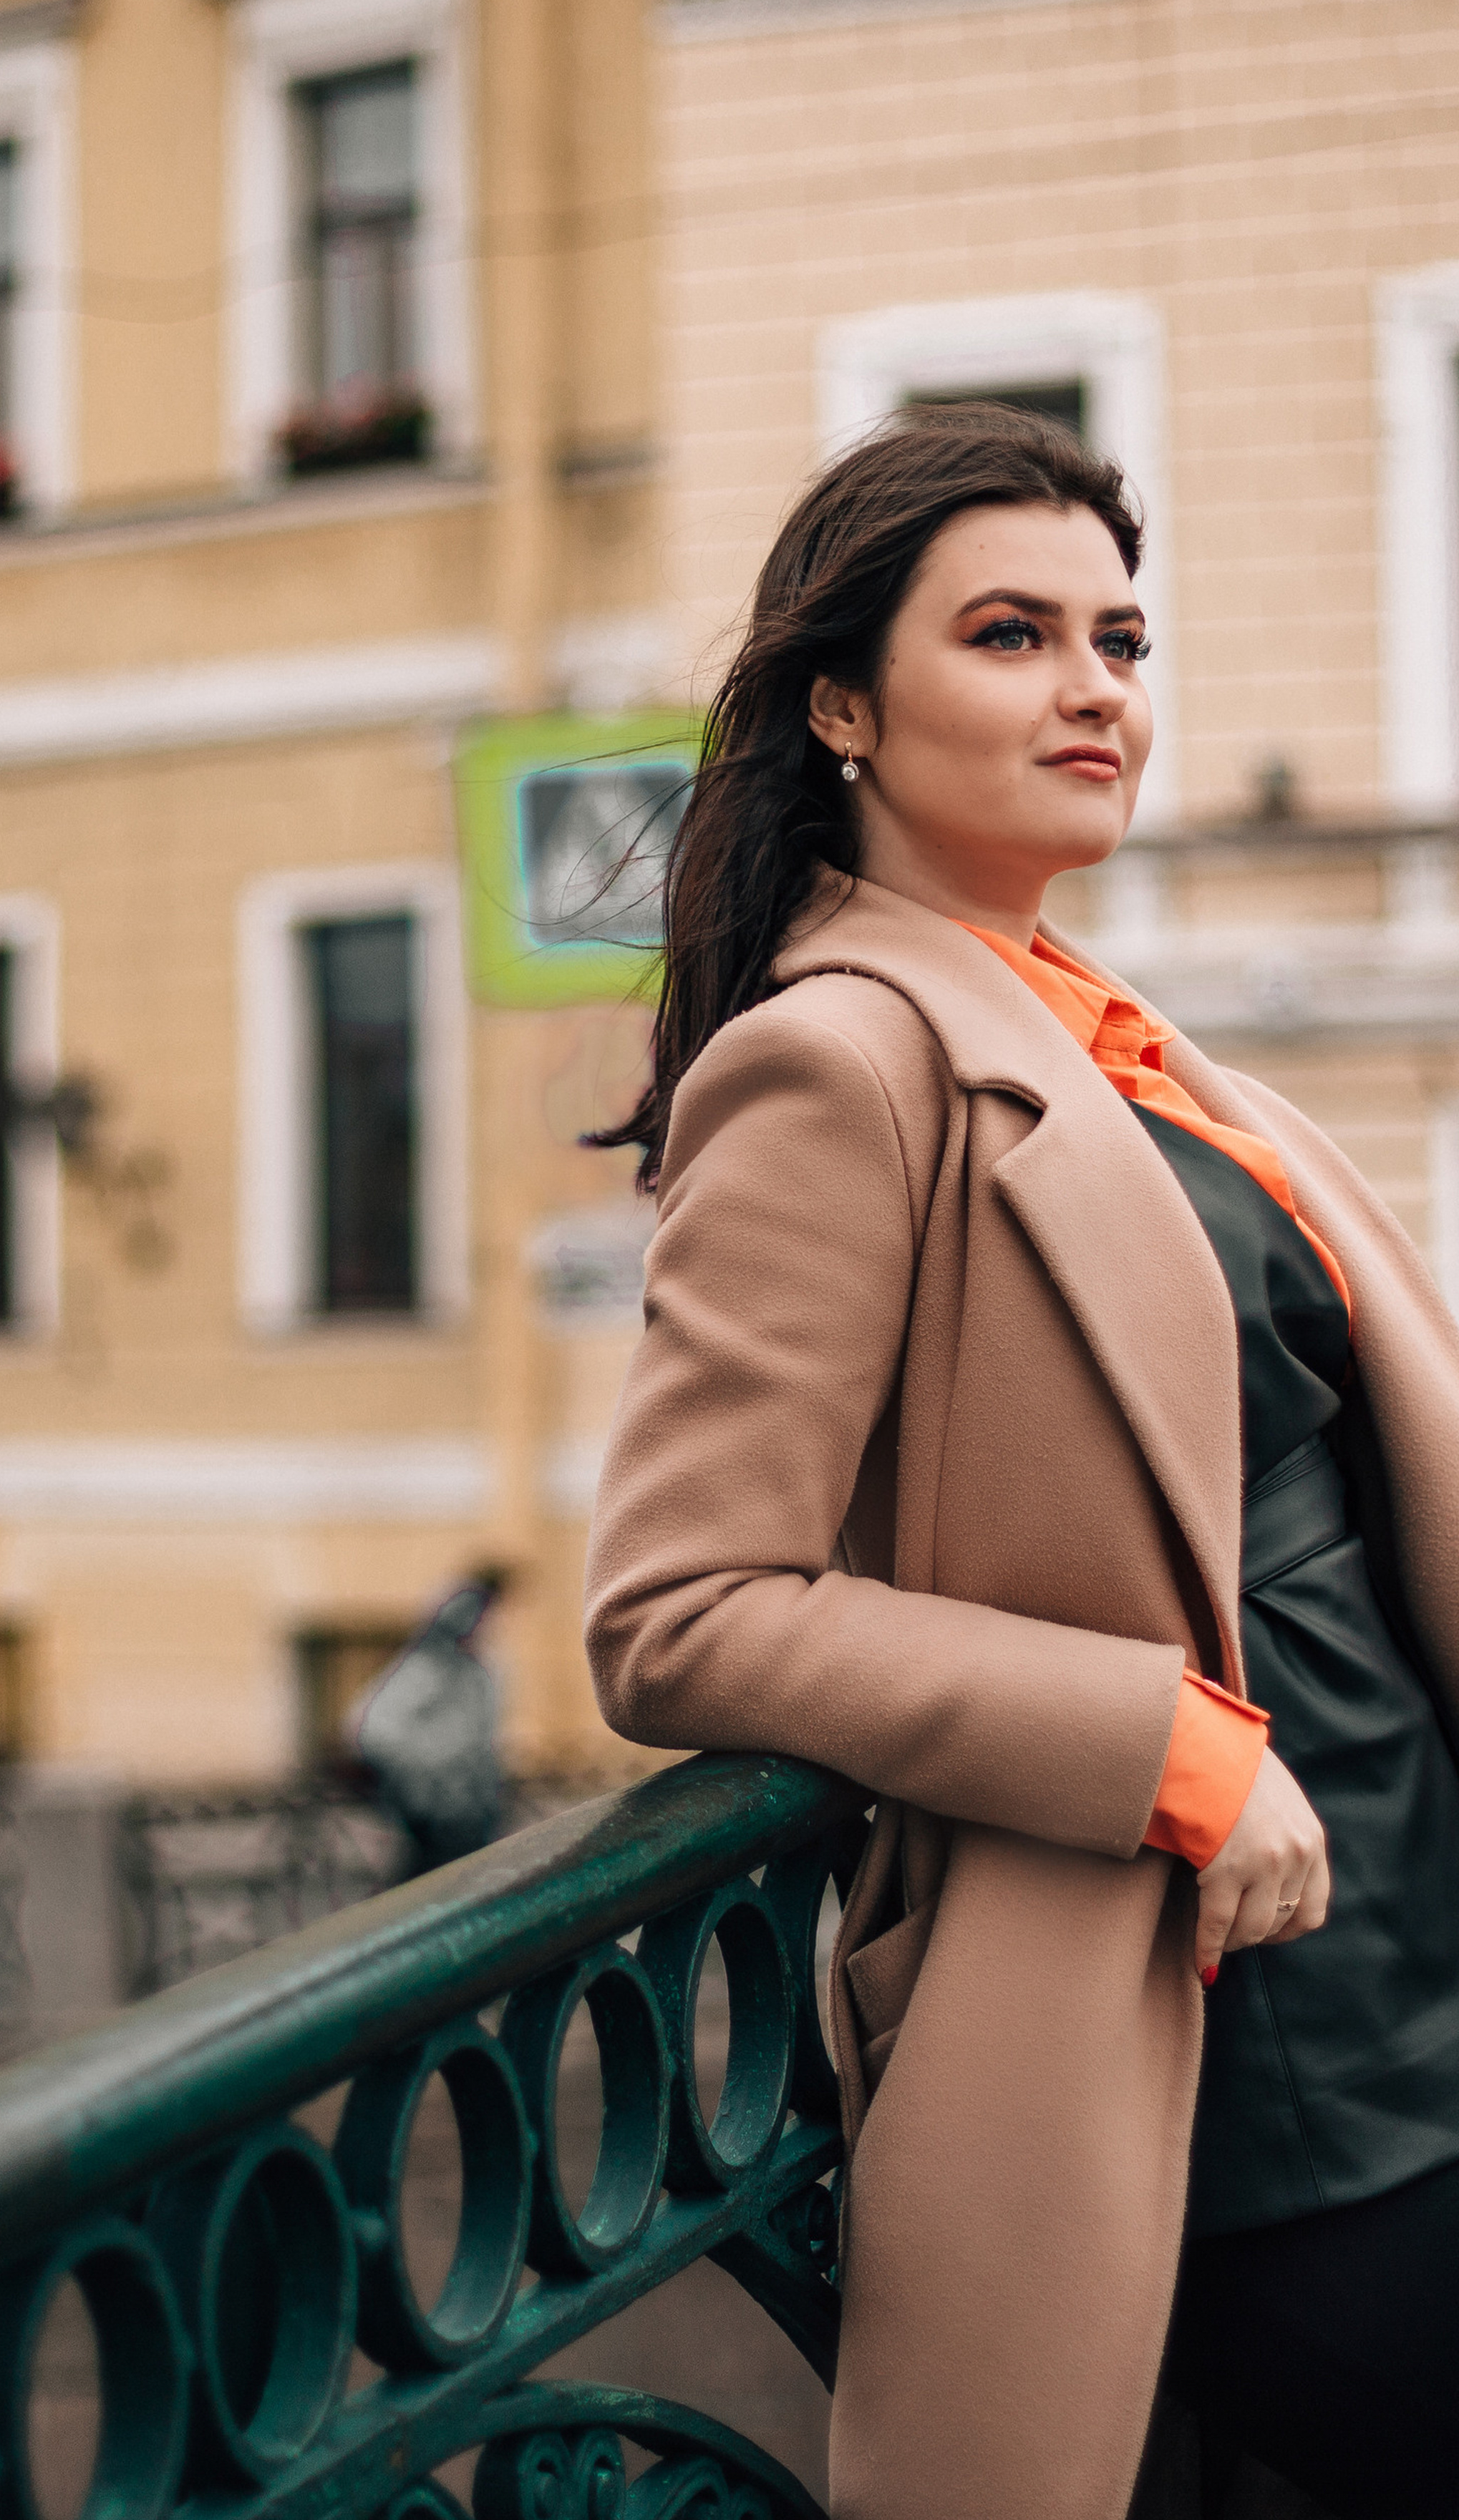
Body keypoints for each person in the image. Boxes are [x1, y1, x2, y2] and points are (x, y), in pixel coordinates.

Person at [582, 403, 1459, 2520]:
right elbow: (677, 1612)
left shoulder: (1140, 1053)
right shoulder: (832, 1058)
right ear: (843, 705)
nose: (1093, 685)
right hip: (1255, 2066)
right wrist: (1156, 1739)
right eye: (1009, 632)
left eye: (1120, 638)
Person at [352, 1567, 508, 1877]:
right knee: (425, 1890)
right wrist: (431, 1769)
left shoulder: (474, 1671)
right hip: (436, 1808)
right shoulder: (428, 1667)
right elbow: (372, 1728)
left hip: (470, 1806)